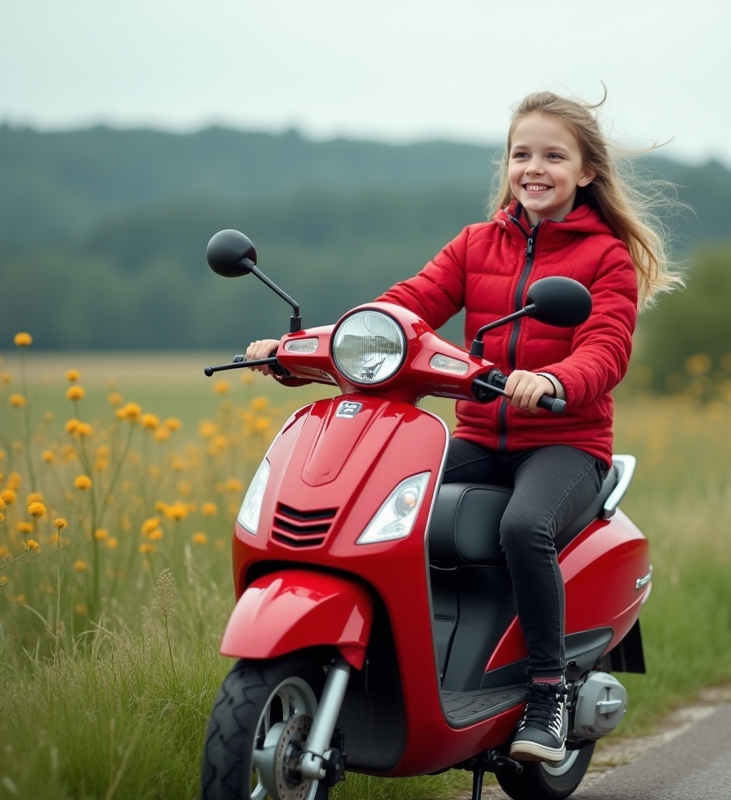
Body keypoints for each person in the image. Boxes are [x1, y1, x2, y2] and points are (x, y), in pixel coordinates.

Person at [246, 90, 681, 763]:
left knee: (522, 526)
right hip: (478, 436)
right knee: (369, 504)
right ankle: (396, 666)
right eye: (521, 154)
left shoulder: (605, 259)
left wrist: (555, 381)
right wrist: (301, 351)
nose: (534, 168)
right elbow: (404, 309)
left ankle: (546, 695)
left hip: (564, 443)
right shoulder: (476, 244)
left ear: (586, 171)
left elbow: (606, 348)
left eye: (553, 156)